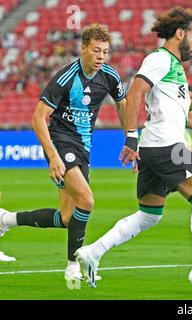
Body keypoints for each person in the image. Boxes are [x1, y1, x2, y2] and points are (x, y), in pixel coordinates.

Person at [75, 7, 192, 293]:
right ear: (180, 33)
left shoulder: (175, 69)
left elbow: (185, 117)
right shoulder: (160, 59)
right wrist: (130, 138)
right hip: (165, 145)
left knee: (149, 215)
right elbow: (134, 93)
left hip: (158, 145)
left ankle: (93, 252)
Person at [0, 24, 126, 282]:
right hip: (61, 144)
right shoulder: (66, 77)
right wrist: (53, 156)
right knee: (87, 200)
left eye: (105, 51)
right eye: (96, 50)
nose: (101, 56)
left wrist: (131, 139)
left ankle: (6, 220)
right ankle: (73, 265)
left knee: (68, 217)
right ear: (83, 49)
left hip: (84, 148)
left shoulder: (110, 76)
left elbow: (123, 105)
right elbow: (38, 118)